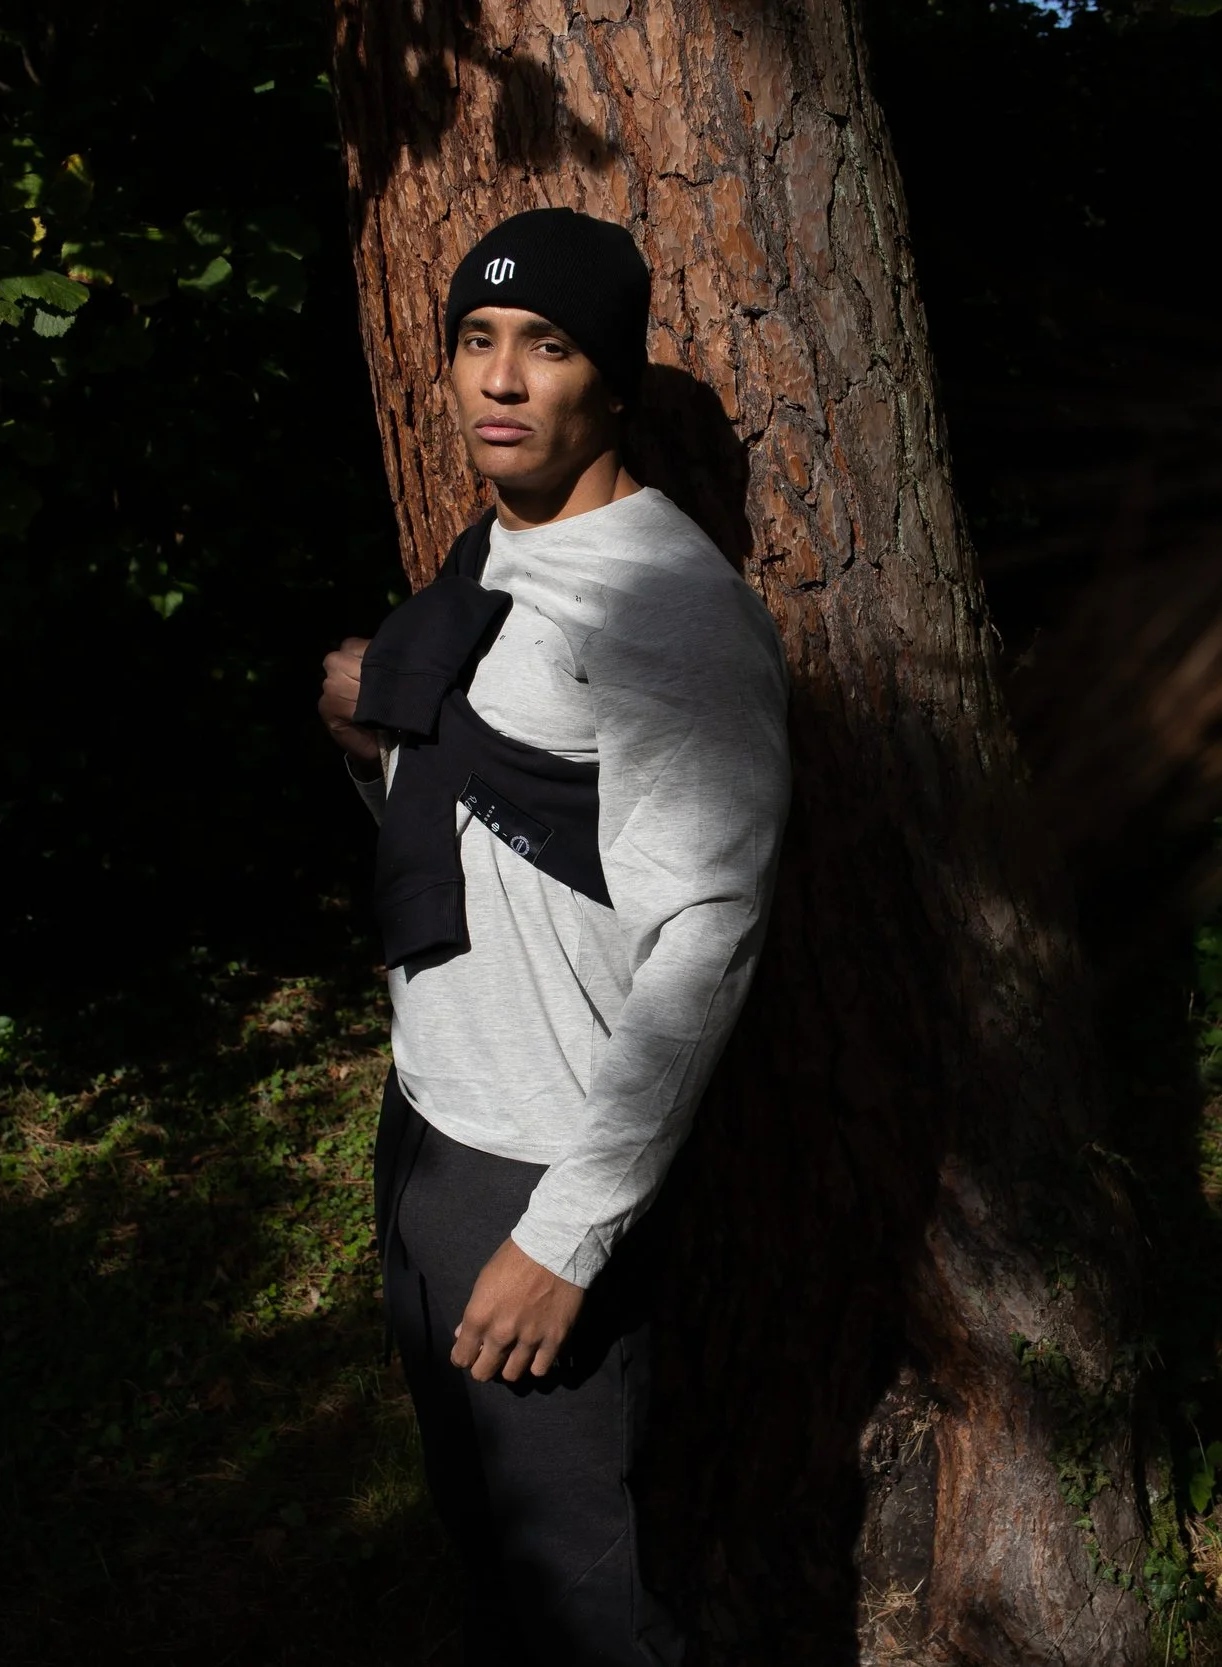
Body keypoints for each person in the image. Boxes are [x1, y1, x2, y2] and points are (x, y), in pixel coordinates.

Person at [315, 206, 791, 1665]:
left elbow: (707, 934)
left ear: (613, 382)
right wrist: (371, 745)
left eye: (549, 345)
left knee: (589, 1607)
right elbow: (487, 819)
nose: (502, 379)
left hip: (539, 1165)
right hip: (428, 1117)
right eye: (478, 339)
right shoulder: (495, 550)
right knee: (491, 1555)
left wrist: (565, 1238)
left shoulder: (669, 609)